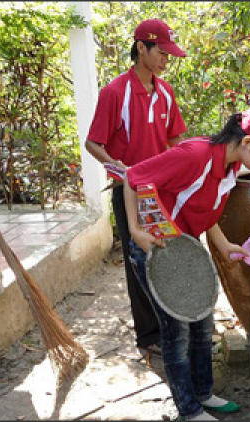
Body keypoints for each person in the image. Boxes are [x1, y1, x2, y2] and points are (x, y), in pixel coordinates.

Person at [124, 108, 250, 420]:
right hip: (157, 250)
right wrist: (135, 229)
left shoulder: (230, 167)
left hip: (185, 250)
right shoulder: (194, 155)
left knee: (202, 325)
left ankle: (204, 393)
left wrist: (225, 245)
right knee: (176, 332)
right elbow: (132, 178)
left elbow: (207, 211)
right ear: (245, 141)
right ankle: (189, 409)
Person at [85, 18, 187, 366]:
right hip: (129, 193)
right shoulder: (115, 93)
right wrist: (122, 171)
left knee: (169, 255)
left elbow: (175, 139)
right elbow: (93, 143)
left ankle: (175, 326)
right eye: (161, 52)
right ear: (141, 47)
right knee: (139, 264)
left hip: (163, 193)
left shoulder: (167, 92)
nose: (165, 59)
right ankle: (149, 337)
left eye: (168, 54)